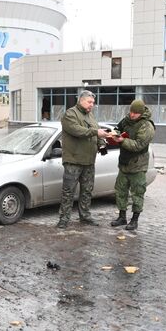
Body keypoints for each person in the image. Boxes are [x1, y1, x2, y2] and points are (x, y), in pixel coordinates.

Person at [57, 90, 109, 229]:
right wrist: (95, 132)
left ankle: (85, 216)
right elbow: (77, 131)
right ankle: (64, 219)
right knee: (68, 191)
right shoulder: (70, 114)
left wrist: (102, 144)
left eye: (93, 102)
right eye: (89, 102)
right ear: (81, 100)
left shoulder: (90, 116)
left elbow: (95, 132)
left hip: (89, 161)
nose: (92, 105)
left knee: (87, 190)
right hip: (73, 160)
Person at [109, 99, 155, 231]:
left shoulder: (146, 126)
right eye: (131, 112)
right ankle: (122, 217)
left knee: (137, 193)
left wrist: (122, 140)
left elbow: (139, 145)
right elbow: (118, 128)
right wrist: (114, 134)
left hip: (138, 165)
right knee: (120, 190)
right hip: (124, 163)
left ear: (141, 113)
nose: (132, 115)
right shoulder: (126, 120)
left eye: (135, 113)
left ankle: (135, 220)